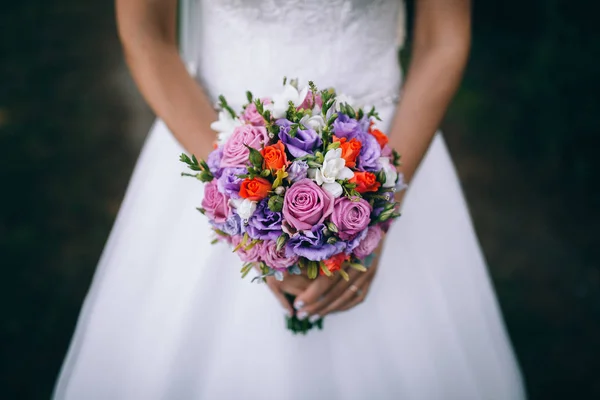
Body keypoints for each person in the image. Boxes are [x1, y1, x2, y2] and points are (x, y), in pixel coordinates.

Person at [54, 0, 526, 398]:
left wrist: (378, 209)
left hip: (385, 149)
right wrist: (239, 195)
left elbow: (442, 39)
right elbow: (146, 34)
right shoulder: (231, 175)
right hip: (214, 140)